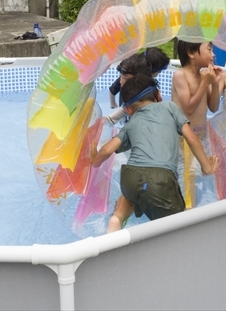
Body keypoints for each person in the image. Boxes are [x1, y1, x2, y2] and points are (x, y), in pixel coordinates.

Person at [91, 74, 218, 233]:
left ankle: (117, 218)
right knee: (178, 229)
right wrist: (207, 167)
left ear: (129, 110)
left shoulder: (132, 123)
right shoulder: (170, 107)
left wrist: (93, 163)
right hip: (159, 180)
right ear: (159, 95)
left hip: (129, 177)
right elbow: (191, 138)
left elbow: (106, 150)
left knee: (135, 194)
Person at [171, 40, 223, 208]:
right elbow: (188, 107)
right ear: (192, 53)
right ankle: (187, 211)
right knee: (187, 177)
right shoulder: (180, 75)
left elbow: (213, 107)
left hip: (201, 135)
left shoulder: (204, 76)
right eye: (209, 49)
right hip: (183, 139)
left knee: (204, 175)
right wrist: (205, 82)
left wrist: (215, 84)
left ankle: (198, 208)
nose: (213, 54)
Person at [107, 53, 153, 124]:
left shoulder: (146, 101)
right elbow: (113, 118)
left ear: (141, 80)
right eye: (121, 77)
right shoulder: (131, 99)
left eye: (126, 79)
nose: (121, 82)